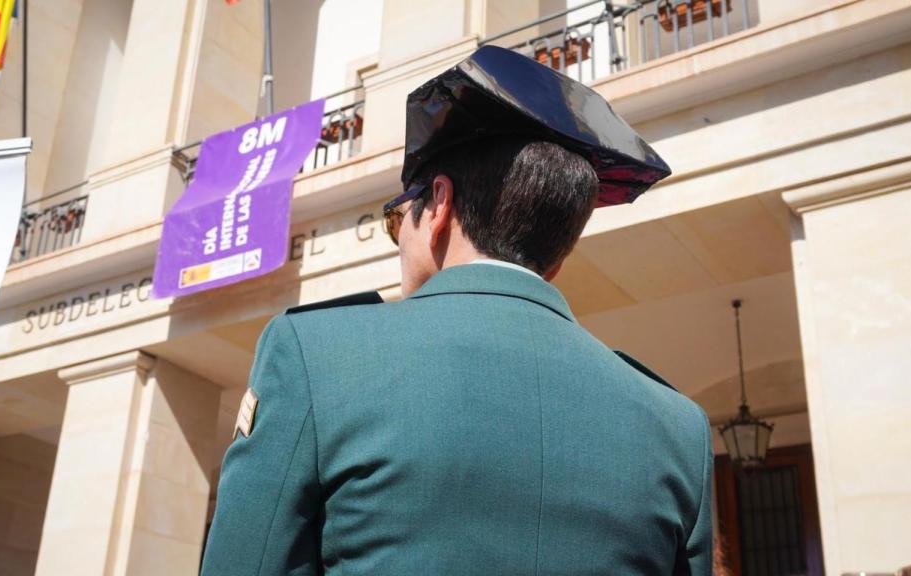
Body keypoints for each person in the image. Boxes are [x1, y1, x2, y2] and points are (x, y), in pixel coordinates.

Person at [201, 45, 712, 575]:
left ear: (438, 206)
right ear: (556, 260)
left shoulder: (316, 357)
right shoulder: (678, 427)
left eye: (397, 221)